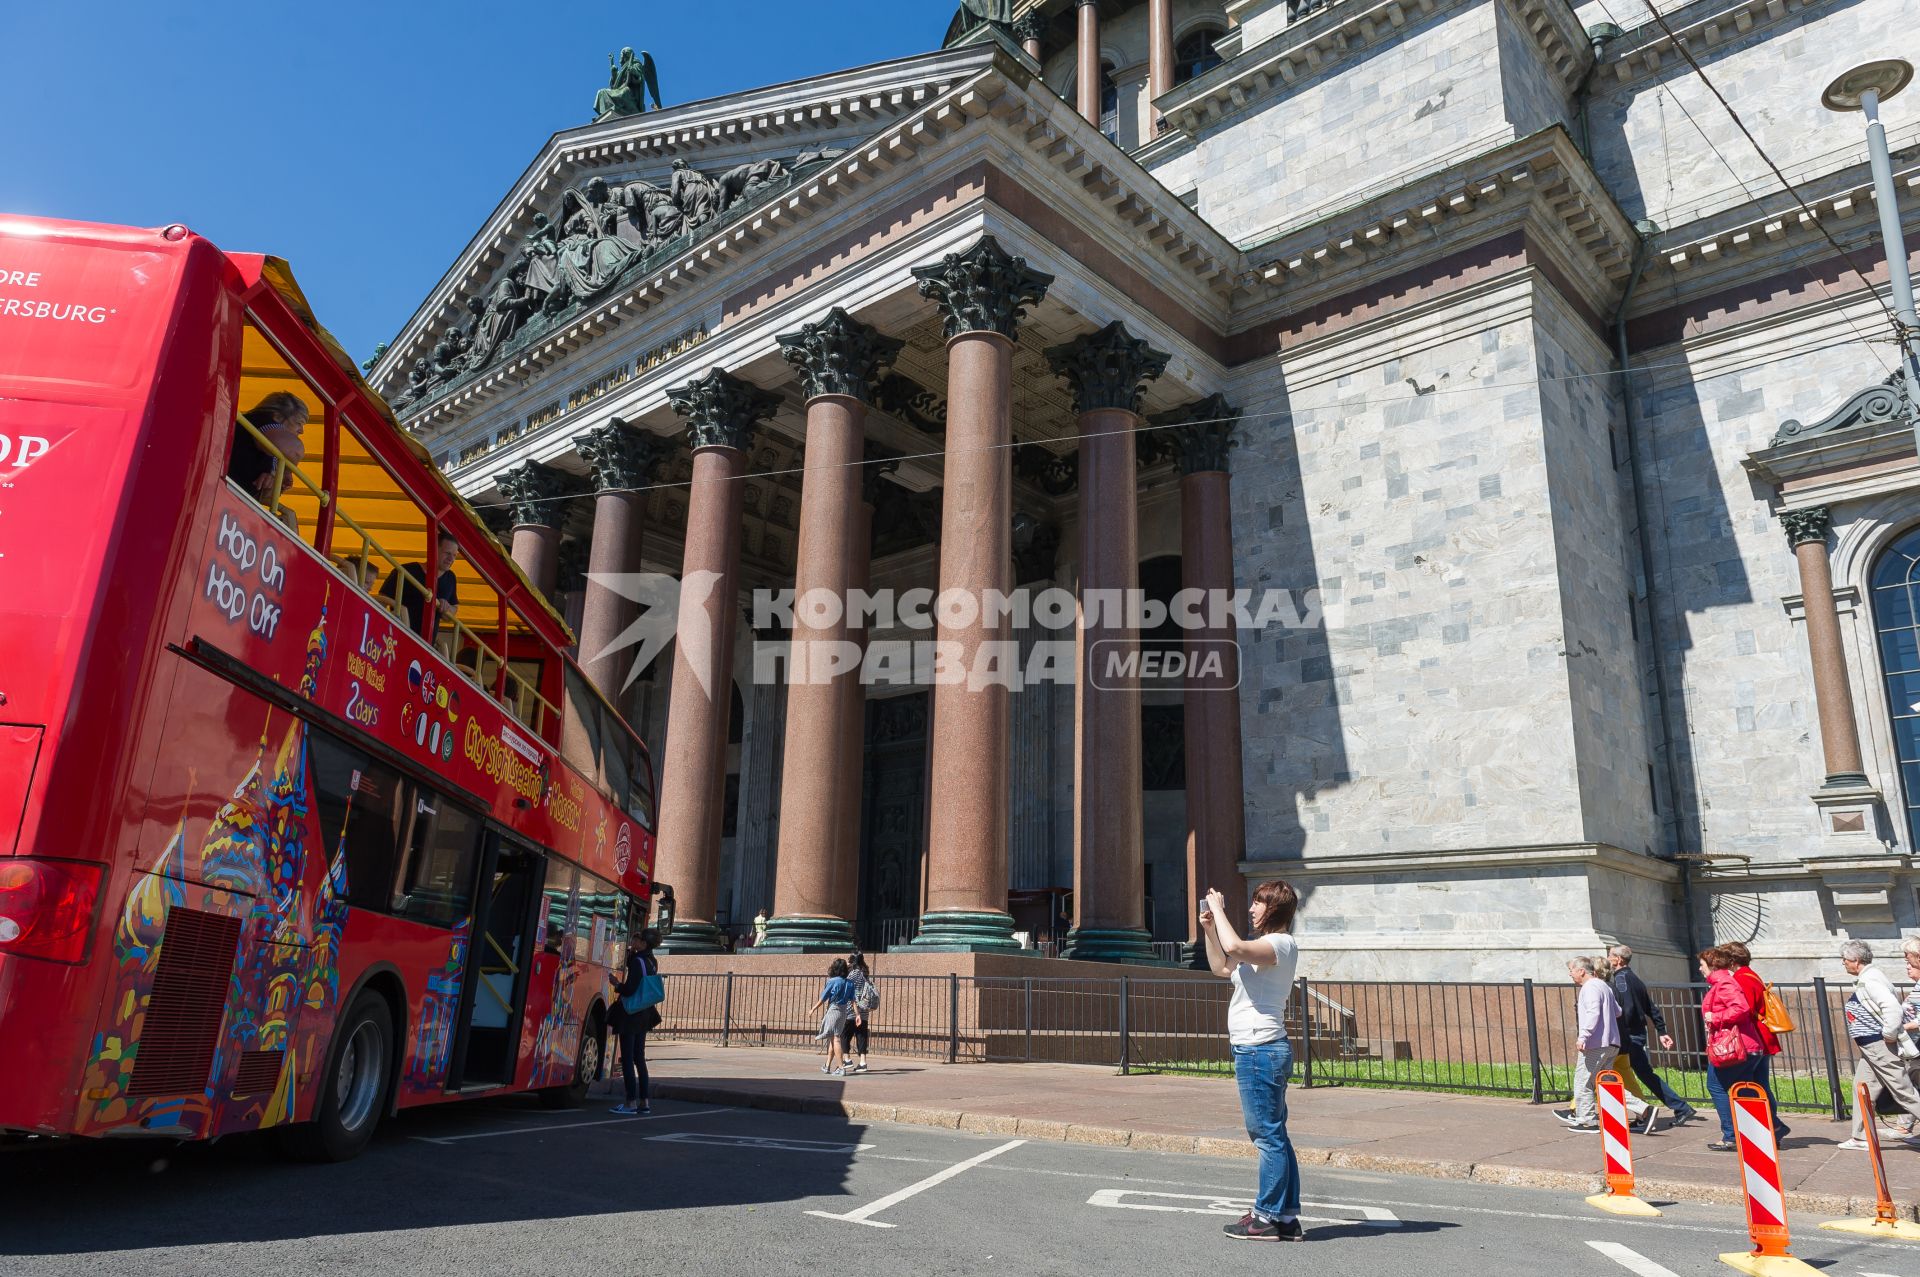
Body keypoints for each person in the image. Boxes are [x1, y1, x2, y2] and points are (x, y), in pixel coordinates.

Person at [1199, 880, 1305, 1243]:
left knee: (1267, 1137)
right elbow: (1221, 965)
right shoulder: (1263, 950)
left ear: (1275, 908)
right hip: (1260, 1049)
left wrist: (1220, 908)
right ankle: (1287, 1217)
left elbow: (1235, 946)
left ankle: (1265, 1217)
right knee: (1276, 1134)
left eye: (1258, 903)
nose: (1252, 909)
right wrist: (1211, 928)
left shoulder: (1280, 944)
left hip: (1260, 1050)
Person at [1837, 940, 1920, 1151]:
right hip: (1871, 1048)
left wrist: (1889, 1034)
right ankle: (1859, 1137)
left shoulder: (1871, 980)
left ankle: (1860, 1136)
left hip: (1879, 1045)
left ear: (1856, 960)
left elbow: (1892, 1009)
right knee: (1861, 1089)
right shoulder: (1868, 977)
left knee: (1904, 1092)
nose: (1843, 963)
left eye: (1844, 960)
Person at [1607, 943, 1699, 1132]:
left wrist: (1621, 1029)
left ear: (1618, 960)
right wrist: (1662, 1030)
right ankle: (1664, 1110)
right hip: (1636, 1033)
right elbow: (1651, 1007)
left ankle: (1675, 1109)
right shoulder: (1634, 978)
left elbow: (1628, 1009)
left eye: (1610, 956)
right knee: (1640, 1074)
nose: (1607, 959)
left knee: (1611, 1072)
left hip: (1630, 1035)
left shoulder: (1622, 980)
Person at [1560, 956, 1648, 1132]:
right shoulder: (1603, 985)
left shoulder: (1590, 987)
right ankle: (1643, 1109)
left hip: (1595, 1043)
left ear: (1581, 971)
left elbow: (1593, 1013)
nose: (1570, 974)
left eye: (1571, 970)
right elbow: (1618, 1011)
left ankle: (1587, 1121)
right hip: (1611, 1043)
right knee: (1606, 1083)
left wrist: (1583, 1036)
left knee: (1583, 1081)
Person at [1699, 945, 1765, 1152]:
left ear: (1712, 965)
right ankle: (1756, 1134)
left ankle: (1731, 1136)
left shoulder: (1724, 983)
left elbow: (1741, 1008)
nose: (1700, 969)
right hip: (1746, 1046)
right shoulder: (1721, 982)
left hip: (1737, 1048)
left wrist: (1715, 1017)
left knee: (1716, 1086)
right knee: (1744, 1090)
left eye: (1702, 965)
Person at [1722, 942, 1788, 1140]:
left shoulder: (1742, 979)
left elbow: (1745, 1010)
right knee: (1760, 1084)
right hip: (1762, 1037)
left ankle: (1772, 1125)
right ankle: (1772, 1126)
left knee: (1749, 1084)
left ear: (1732, 961)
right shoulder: (1751, 975)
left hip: (1754, 1037)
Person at [227, 392, 309, 516]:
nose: (301, 431)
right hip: (227, 492)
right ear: (277, 416)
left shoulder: (269, 445)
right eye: (298, 423)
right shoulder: (262, 421)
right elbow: (295, 451)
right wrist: (287, 470)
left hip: (233, 497)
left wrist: (272, 474)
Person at [608, 928, 662, 1116]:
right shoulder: (651, 960)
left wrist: (616, 984)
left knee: (629, 1058)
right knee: (639, 1057)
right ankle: (644, 1101)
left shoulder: (638, 961)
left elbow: (630, 989)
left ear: (644, 943)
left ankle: (630, 1102)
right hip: (645, 1013)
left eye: (636, 938)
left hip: (631, 1014)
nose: (633, 940)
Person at [380, 533, 460, 642]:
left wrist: (446, 607)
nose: (451, 559)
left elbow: (453, 609)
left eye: (454, 555)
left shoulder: (451, 578)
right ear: (435, 550)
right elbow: (382, 599)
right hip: (396, 638)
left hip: (426, 645)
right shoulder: (406, 571)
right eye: (447, 553)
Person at [809, 958, 854, 1076]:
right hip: (843, 1011)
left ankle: (840, 1067)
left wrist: (813, 1008)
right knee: (833, 1038)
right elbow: (853, 1000)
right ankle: (827, 1065)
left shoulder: (833, 981)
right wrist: (858, 1014)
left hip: (834, 1009)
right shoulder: (849, 983)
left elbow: (823, 998)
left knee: (835, 1039)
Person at [841, 951, 877, 1073]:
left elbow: (845, 983)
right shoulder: (865, 971)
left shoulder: (854, 973)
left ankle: (847, 1059)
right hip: (864, 1009)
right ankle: (863, 1062)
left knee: (844, 1034)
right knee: (861, 1036)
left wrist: (846, 967)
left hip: (852, 1008)